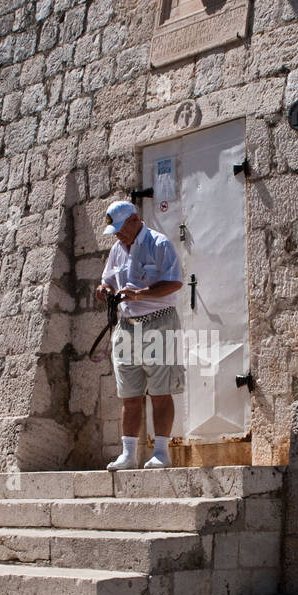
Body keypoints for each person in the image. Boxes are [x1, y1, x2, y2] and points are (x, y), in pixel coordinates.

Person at [94, 200, 185, 470]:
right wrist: (103, 290)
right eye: (115, 232)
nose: (118, 236)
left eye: (121, 230)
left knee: (160, 391)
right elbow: (107, 280)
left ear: (134, 220)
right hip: (126, 326)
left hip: (159, 322)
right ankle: (129, 455)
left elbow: (175, 282)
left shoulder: (159, 244)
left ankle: (161, 453)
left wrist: (140, 294)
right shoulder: (117, 250)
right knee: (129, 393)